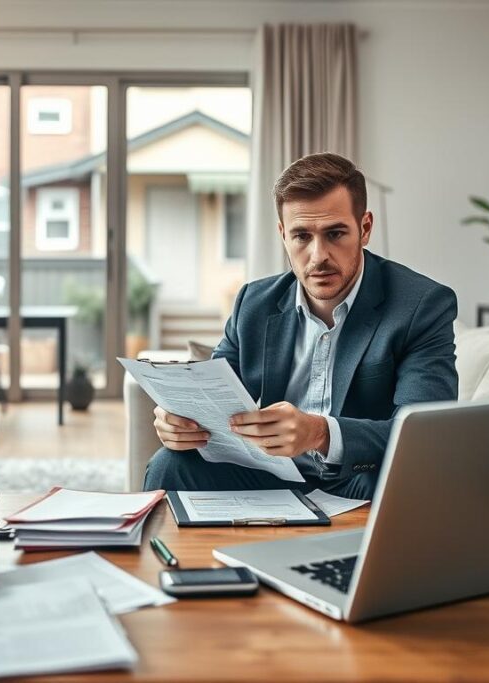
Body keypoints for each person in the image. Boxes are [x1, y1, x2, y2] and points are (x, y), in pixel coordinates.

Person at [143, 153, 458, 500]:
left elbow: (424, 436)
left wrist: (320, 433)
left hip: (359, 478)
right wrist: (179, 422)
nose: (318, 255)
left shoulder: (422, 305)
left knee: (392, 485)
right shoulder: (254, 302)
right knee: (168, 464)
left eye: (335, 233)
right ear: (283, 234)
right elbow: (212, 394)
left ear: (365, 228)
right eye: (301, 236)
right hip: (273, 474)